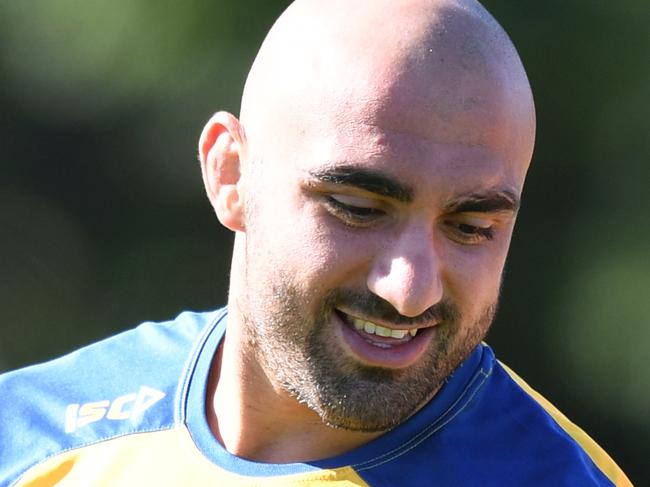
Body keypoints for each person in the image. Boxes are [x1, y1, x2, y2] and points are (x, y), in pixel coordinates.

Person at [0, 0, 632, 485]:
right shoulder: (29, 442)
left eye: (471, 227)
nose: (411, 289)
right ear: (230, 174)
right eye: (359, 209)